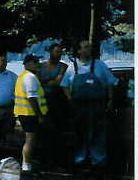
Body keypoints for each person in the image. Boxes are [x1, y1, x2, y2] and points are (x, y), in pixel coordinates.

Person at [62, 40, 116, 171]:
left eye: (89, 47)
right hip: (79, 106)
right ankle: (80, 160)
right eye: (85, 47)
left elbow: (110, 82)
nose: (88, 49)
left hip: (97, 104)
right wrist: (70, 98)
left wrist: (110, 99)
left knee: (98, 132)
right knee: (80, 132)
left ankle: (98, 161)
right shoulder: (72, 66)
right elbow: (64, 85)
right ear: (79, 51)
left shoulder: (99, 64)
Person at [14, 54, 48, 174]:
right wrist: (40, 115)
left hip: (24, 113)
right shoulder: (30, 77)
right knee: (30, 140)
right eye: (35, 62)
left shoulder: (23, 76)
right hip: (30, 114)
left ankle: (28, 163)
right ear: (27, 64)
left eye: (38, 62)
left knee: (30, 140)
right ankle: (26, 165)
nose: (38, 64)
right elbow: (31, 98)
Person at [38, 43, 70, 168]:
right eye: (57, 51)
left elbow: (57, 82)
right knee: (43, 130)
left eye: (60, 52)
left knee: (57, 130)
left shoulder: (63, 66)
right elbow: (38, 81)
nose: (59, 54)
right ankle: (44, 158)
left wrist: (45, 81)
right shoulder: (41, 66)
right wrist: (50, 80)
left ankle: (56, 158)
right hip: (42, 100)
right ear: (50, 52)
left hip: (57, 102)